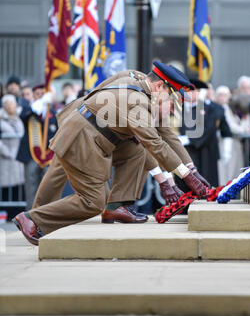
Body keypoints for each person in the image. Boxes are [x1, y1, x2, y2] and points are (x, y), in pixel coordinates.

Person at [13, 62, 208, 245]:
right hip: (82, 135)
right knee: (92, 201)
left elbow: (167, 135)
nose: (172, 108)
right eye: (171, 99)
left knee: (135, 151)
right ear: (158, 87)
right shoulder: (139, 103)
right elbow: (154, 143)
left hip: (95, 132)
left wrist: (192, 170)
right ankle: (32, 218)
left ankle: (116, 207)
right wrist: (180, 177)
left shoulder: (138, 80)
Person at [16, 84, 58, 210]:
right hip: (31, 156)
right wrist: (34, 109)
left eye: (42, 94)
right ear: (33, 96)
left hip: (49, 156)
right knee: (31, 187)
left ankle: (46, 213)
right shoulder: (29, 110)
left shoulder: (54, 115)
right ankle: (30, 215)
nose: (40, 96)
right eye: (37, 94)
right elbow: (22, 117)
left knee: (48, 187)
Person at [0, 95, 25, 218]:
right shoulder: (1, 119)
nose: (10, 106)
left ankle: (17, 215)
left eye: (12, 103)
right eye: (7, 104)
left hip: (18, 159)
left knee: (18, 187)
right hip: (6, 159)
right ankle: (7, 214)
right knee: (6, 187)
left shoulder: (19, 118)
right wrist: (7, 152)